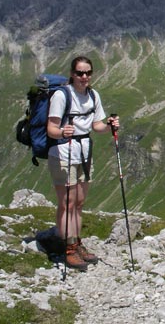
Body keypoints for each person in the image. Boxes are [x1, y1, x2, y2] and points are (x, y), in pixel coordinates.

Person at [46, 56, 119, 270]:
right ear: (72, 74)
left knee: (78, 202)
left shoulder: (93, 95)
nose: (84, 77)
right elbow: (51, 128)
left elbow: (96, 125)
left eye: (88, 73)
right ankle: (68, 248)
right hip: (62, 153)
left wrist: (109, 126)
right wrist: (62, 131)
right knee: (67, 203)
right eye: (79, 73)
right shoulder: (61, 96)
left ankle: (76, 244)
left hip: (84, 153)